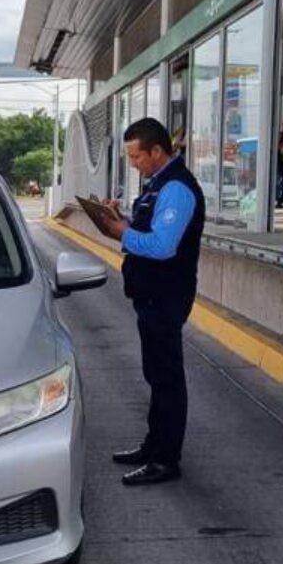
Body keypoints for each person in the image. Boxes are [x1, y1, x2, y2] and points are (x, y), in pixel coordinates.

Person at [97, 117, 206, 486]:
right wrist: (120, 221)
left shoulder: (176, 189)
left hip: (165, 296)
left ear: (157, 151)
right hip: (151, 296)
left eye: (136, 156)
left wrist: (122, 232)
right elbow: (150, 230)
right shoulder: (158, 186)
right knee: (156, 376)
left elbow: (162, 246)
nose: (134, 164)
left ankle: (165, 459)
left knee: (167, 379)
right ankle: (153, 445)